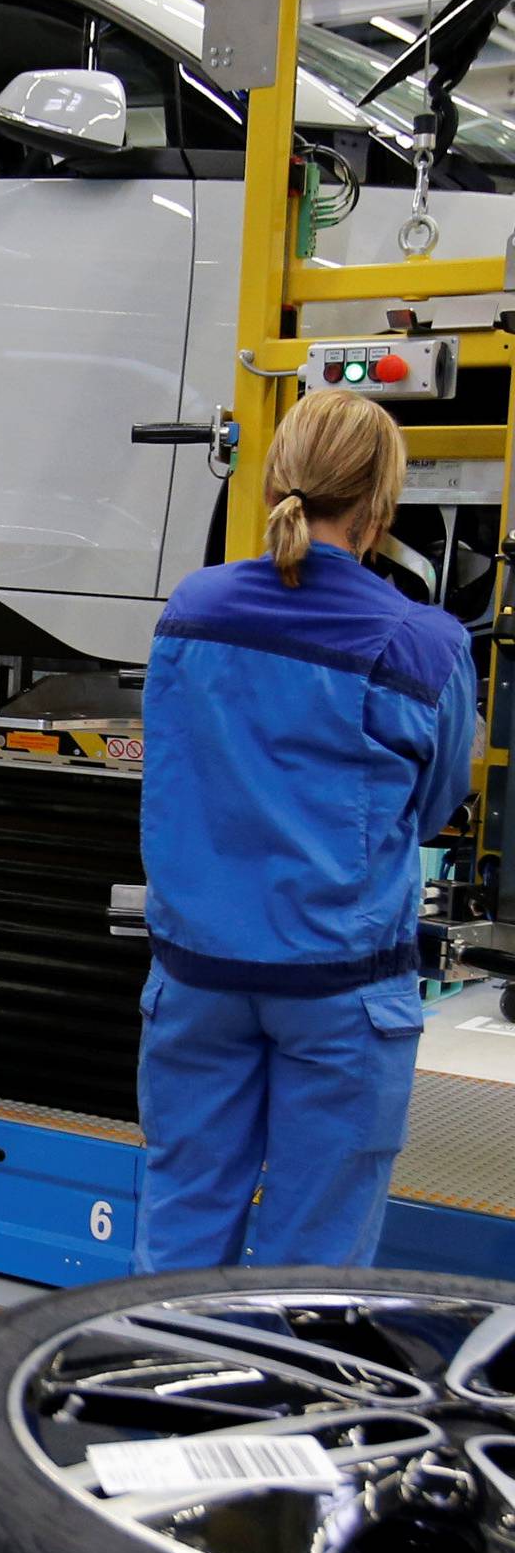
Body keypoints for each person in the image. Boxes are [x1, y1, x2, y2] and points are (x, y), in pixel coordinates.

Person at [135, 389, 476, 1269]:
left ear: (276, 476)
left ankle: (153, 1398)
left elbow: (176, 767)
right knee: (311, 1262)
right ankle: (285, 1403)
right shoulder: (423, 645)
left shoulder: (193, 610)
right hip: (338, 994)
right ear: (381, 503)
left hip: (196, 978)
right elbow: (433, 807)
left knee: (180, 1219)